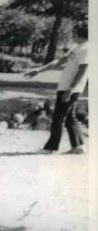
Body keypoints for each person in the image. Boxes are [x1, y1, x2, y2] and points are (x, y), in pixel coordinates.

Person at [24, 22, 88, 154]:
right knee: (70, 118)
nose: (72, 34)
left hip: (70, 89)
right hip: (67, 87)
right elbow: (59, 61)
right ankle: (78, 147)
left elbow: (83, 69)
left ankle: (50, 148)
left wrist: (70, 89)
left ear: (80, 32)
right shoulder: (77, 48)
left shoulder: (86, 48)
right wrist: (39, 70)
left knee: (58, 118)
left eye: (74, 31)